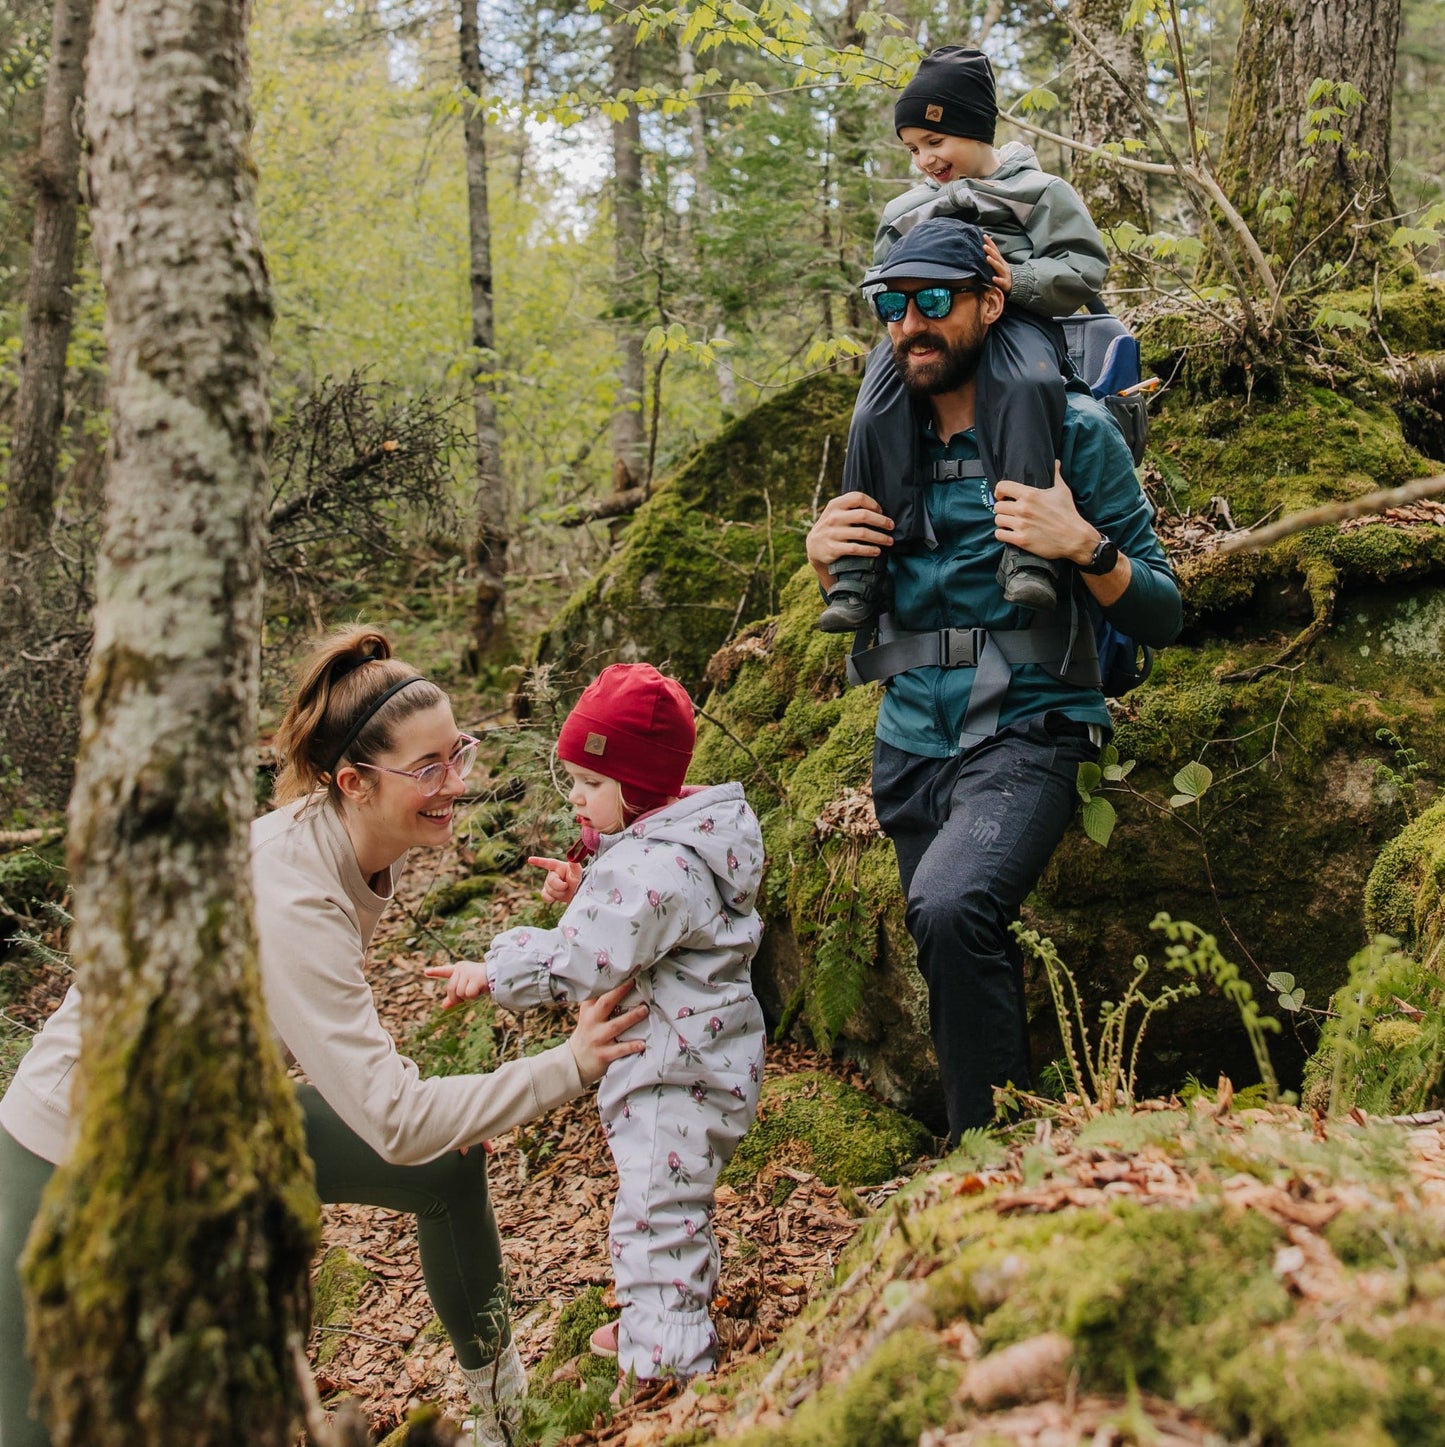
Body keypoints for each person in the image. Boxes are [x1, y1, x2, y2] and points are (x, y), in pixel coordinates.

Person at [0, 627, 649, 1447]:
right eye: (428, 768)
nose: (456, 783)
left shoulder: (363, 837)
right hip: (72, 1159)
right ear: (353, 782)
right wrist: (571, 1063)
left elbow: (356, 1068)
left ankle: (506, 1419)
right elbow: (396, 1120)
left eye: (458, 752)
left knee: (447, 1169)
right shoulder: (290, 894)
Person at [806, 217, 1181, 1144]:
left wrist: (1083, 545)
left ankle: (990, 1160)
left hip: (1030, 727)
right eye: (892, 306)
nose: (910, 325)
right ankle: (993, 1139)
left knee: (952, 903)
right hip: (908, 742)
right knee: (946, 936)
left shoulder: (1071, 432)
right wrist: (823, 559)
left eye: (934, 300)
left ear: (989, 302)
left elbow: (1164, 611)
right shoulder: (882, 437)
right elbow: (872, 597)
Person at [428, 663, 766, 1386]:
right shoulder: (680, 843)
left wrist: (493, 969)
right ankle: (660, 1315)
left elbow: (584, 958)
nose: (576, 797)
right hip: (697, 1057)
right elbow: (643, 921)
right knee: (663, 1200)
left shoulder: (654, 870)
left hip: (677, 1070)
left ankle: (668, 1364)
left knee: (654, 1212)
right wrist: (589, 885)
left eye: (590, 782)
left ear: (636, 785)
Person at [817, 44, 1110, 632]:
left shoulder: (1038, 192)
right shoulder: (905, 210)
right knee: (874, 407)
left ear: (977, 129)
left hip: (1015, 322)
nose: (925, 159)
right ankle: (861, 564)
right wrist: (902, 304)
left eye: (935, 141)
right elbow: (880, 277)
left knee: (1027, 385)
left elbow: (1084, 268)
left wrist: (1018, 279)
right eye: (912, 149)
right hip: (925, 326)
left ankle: (1028, 551)